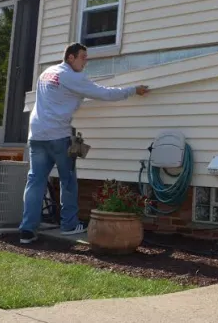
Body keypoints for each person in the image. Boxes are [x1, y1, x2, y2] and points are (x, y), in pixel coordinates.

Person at [19, 42, 150, 244]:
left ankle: (27, 229)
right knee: (68, 180)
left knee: (35, 182)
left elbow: (60, 98)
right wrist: (133, 90)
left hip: (35, 135)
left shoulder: (47, 72)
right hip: (58, 136)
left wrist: (77, 98)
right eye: (82, 58)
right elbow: (104, 93)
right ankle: (69, 225)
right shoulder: (71, 76)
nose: (85, 63)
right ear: (70, 57)